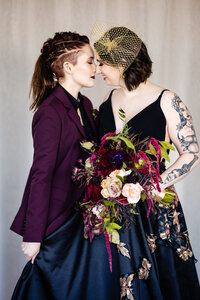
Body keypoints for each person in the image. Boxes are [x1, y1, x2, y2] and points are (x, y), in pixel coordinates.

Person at [10, 31, 120, 300]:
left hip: (83, 216)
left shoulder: (85, 104)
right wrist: (32, 235)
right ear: (68, 67)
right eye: (90, 61)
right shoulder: (50, 112)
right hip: (56, 221)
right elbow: (41, 175)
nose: (96, 68)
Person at [94, 24, 200, 300]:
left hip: (154, 208)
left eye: (103, 62)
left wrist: (151, 185)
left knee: (160, 282)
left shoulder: (168, 100)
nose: (98, 69)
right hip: (113, 207)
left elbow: (192, 153)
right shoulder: (108, 98)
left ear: (123, 61)